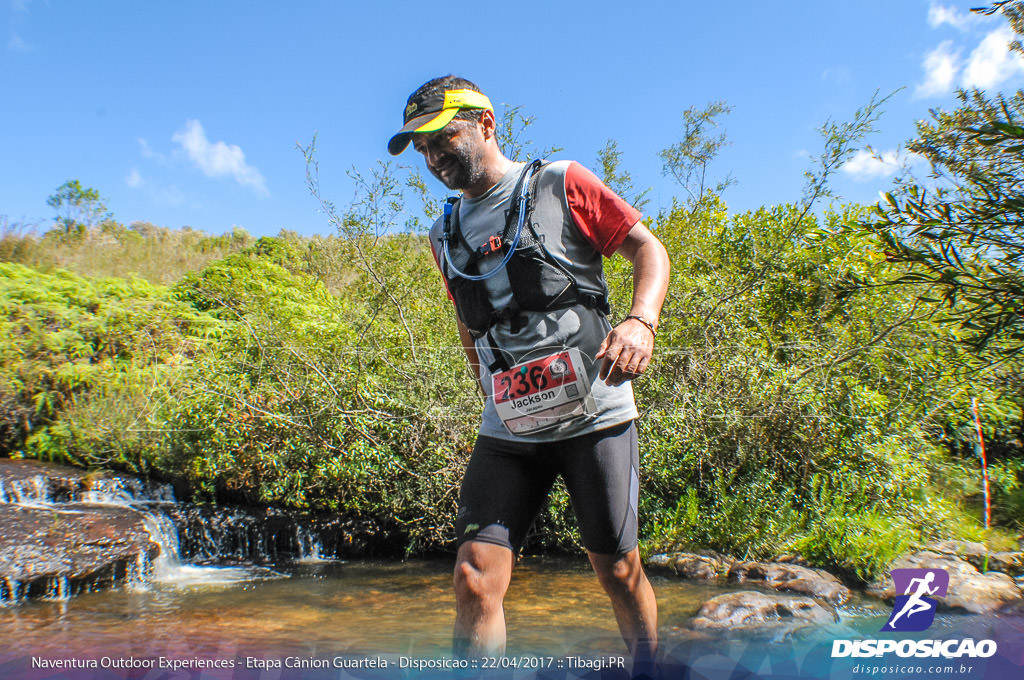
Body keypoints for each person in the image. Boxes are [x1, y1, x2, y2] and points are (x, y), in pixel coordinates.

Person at [388, 75, 670, 668]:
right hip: (509, 427)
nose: (434, 154)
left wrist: (640, 321)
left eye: (444, 136)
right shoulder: (443, 235)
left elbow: (649, 249)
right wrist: (484, 383)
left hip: (594, 414)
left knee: (618, 570)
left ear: (486, 124)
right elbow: (471, 324)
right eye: (422, 147)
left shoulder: (560, 182)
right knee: (472, 576)